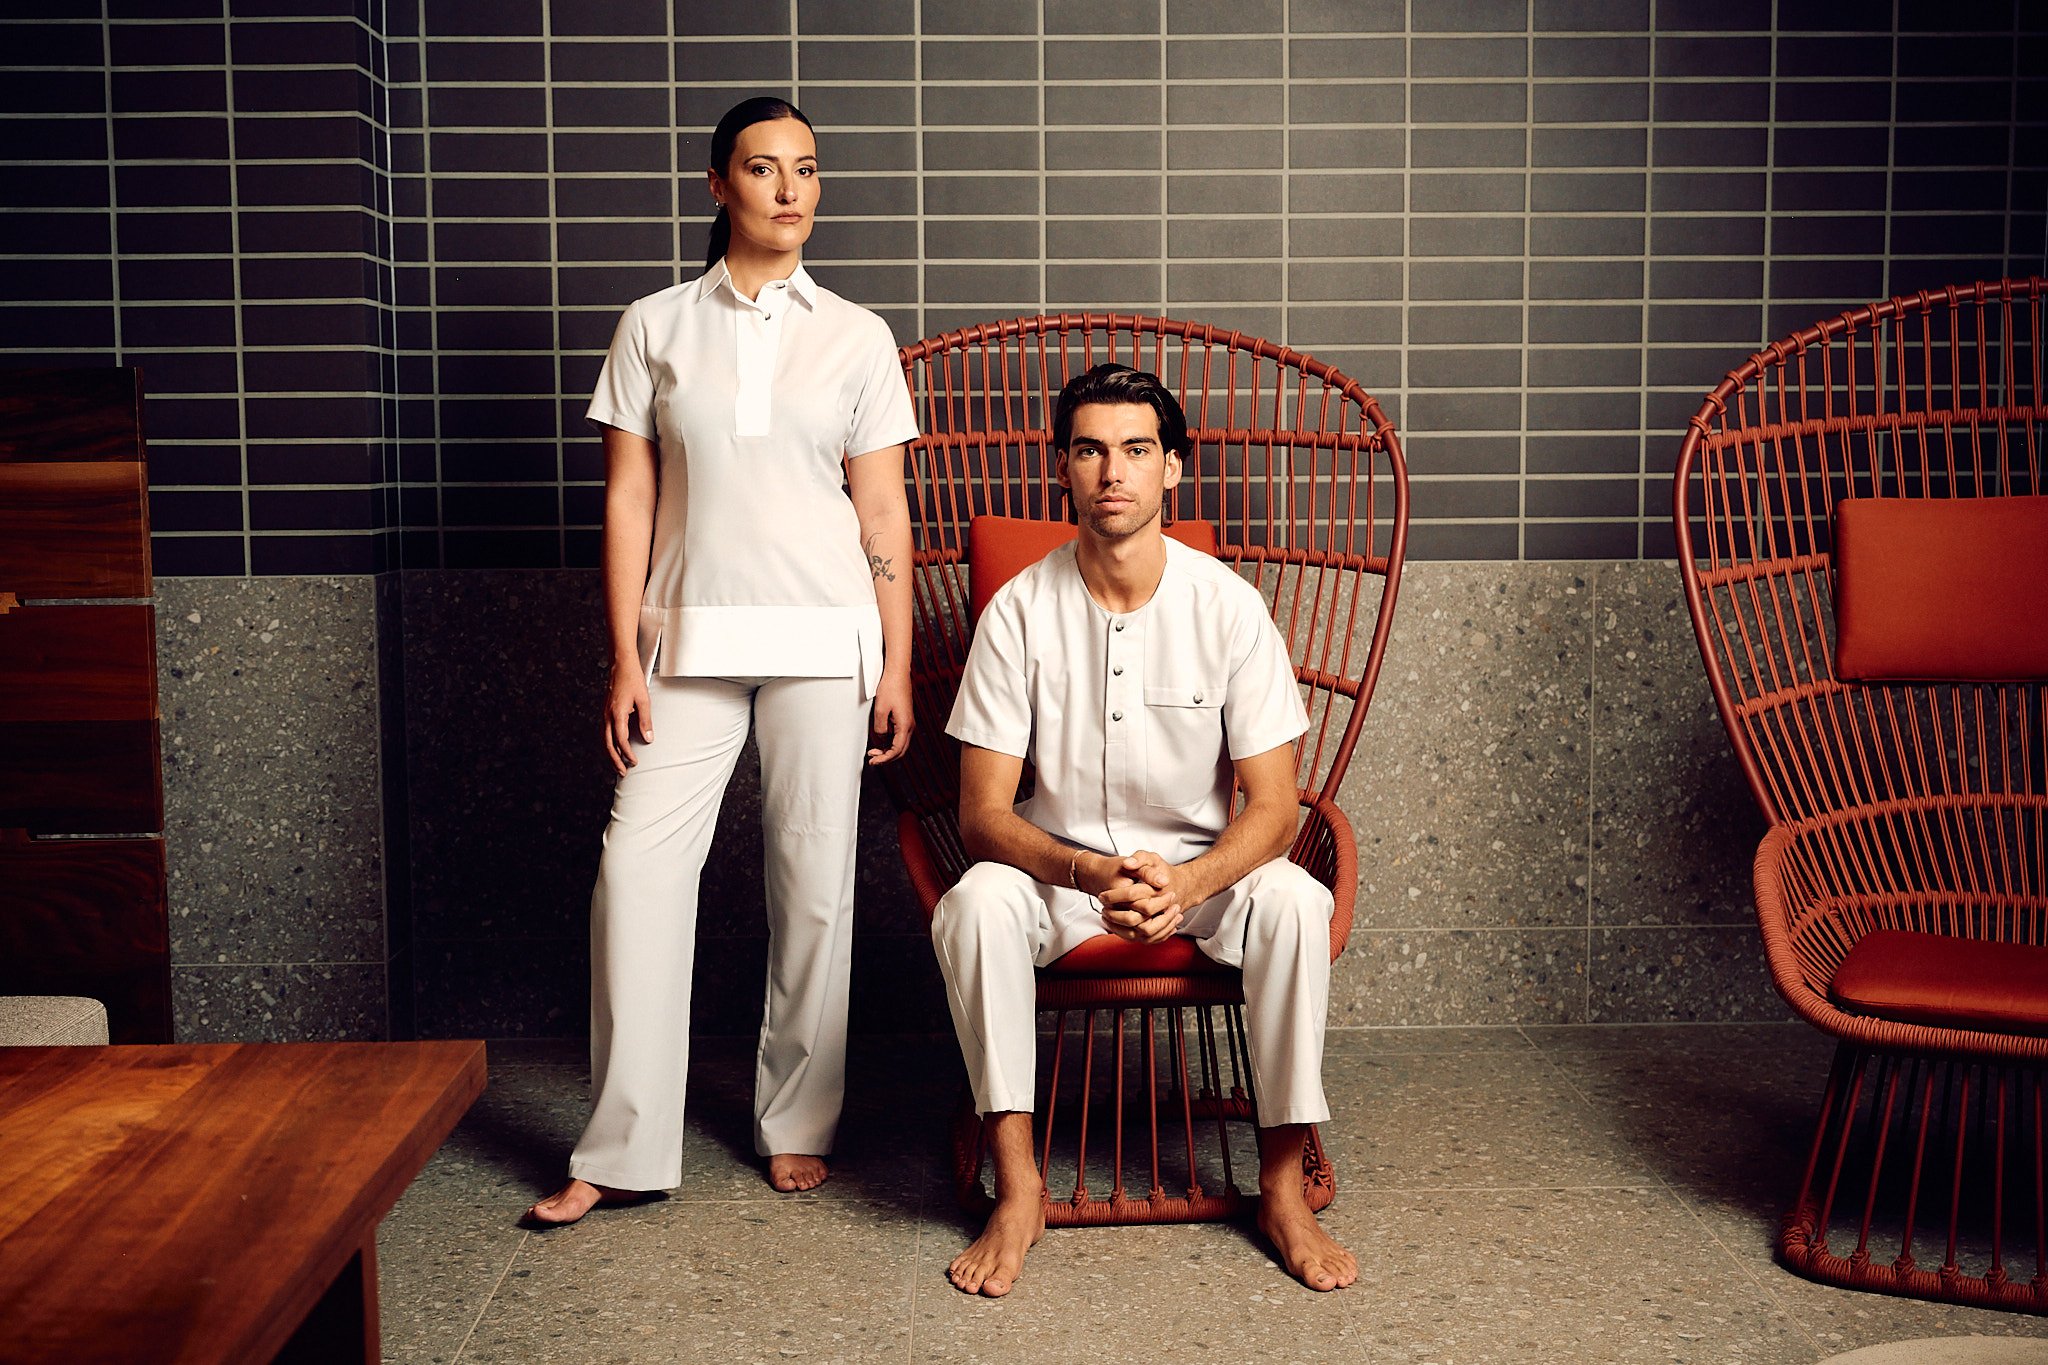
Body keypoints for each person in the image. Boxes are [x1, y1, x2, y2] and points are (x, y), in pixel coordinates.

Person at [527, 96, 918, 1225]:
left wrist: (891, 666)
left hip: (823, 641)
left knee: (812, 889)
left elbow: (882, 514)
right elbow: (629, 495)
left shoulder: (855, 334)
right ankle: (620, 1147)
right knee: (637, 874)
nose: (789, 189)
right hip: (685, 639)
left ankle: (796, 1122)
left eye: (805, 169)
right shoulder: (654, 325)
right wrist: (622, 656)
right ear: (717, 186)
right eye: (763, 168)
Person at [929, 363, 1358, 1295]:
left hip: (1202, 878)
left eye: (1135, 449)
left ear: (1173, 469)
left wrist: (1190, 885)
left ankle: (1281, 1185)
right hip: (1061, 875)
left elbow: (1277, 806)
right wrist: (1086, 870)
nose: (1112, 470)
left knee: (1293, 900)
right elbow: (981, 814)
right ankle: (1019, 1185)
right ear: (1064, 469)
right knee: (973, 905)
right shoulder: (1019, 612)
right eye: (1090, 449)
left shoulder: (1228, 607)